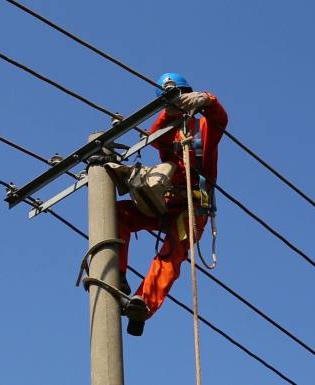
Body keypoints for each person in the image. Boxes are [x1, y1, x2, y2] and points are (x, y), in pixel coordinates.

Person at [118, 72, 228, 336]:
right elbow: (154, 136)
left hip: (193, 207)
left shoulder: (203, 129)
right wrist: (169, 111)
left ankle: (142, 306)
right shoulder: (167, 130)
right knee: (117, 214)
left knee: (171, 253)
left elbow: (220, 119)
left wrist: (206, 100)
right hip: (166, 201)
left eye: (178, 95)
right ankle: (117, 276)